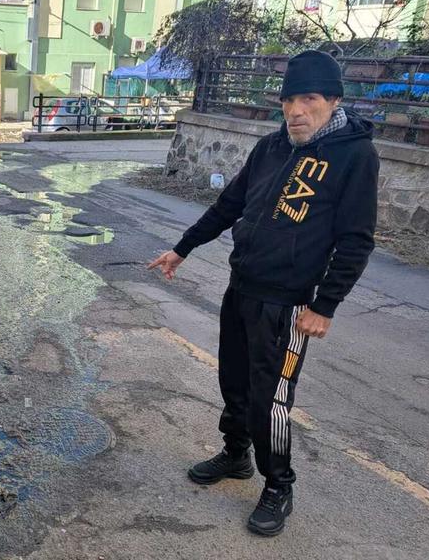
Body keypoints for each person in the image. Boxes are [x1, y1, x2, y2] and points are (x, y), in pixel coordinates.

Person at [147, 50, 379, 536]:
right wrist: (182, 248)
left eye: (308, 99)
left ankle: (278, 485)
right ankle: (236, 456)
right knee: (233, 381)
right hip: (242, 288)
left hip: (291, 304)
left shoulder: (355, 154)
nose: (296, 110)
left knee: (270, 399)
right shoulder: (271, 148)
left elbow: (356, 238)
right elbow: (229, 204)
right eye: (289, 100)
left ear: (333, 100)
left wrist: (324, 305)